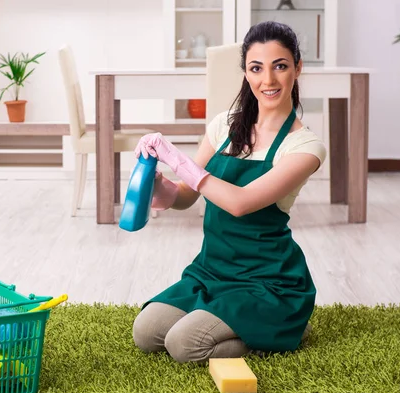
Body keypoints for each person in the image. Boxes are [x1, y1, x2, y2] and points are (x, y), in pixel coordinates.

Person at [132, 21, 327, 363]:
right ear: (246, 73)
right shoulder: (224, 125)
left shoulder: (305, 146)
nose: (268, 80)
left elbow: (240, 203)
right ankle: (260, 326)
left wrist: (178, 159)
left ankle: (285, 325)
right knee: (147, 332)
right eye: (256, 68)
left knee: (184, 345)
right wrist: (153, 181)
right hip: (213, 269)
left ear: (297, 68)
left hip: (267, 281)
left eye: (279, 66)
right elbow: (183, 196)